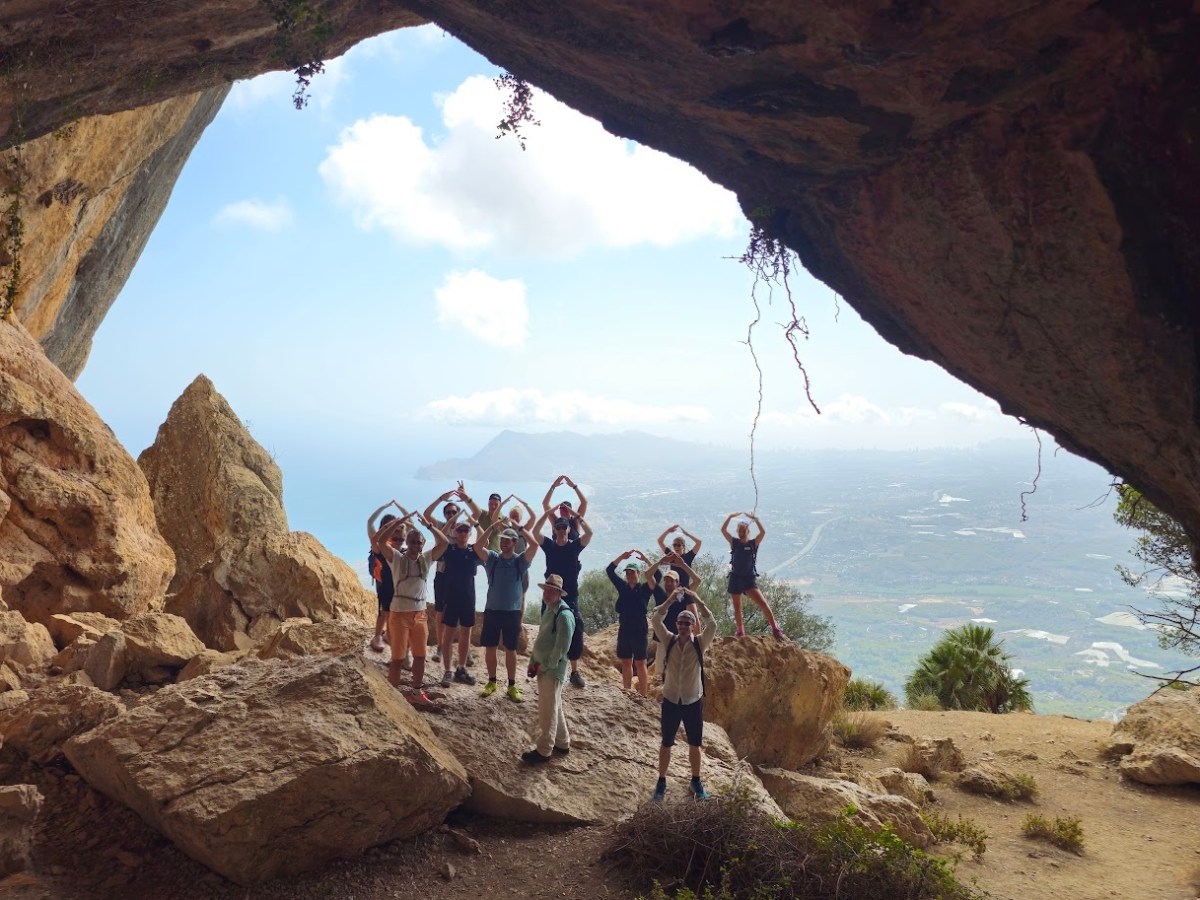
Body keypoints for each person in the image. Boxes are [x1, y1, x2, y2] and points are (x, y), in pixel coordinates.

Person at [371, 513, 448, 703]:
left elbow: (445, 542)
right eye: (412, 542)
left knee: (420, 656)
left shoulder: (426, 559)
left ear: (422, 544)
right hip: (399, 614)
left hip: (419, 614)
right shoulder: (396, 558)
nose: (415, 546)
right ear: (407, 542)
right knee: (397, 658)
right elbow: (380, 541)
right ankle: (393, 697)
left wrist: (429, 526)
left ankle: (416, 692)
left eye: (418, 543)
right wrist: (397, 523)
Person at [651, 586, 717, 801]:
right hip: (671, 699)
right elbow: (655, 620)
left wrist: (697, 600)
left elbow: (713, 624)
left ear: (693, 625)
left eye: (688, 623)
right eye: (680, 623)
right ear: (676, 624)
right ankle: (661, 782)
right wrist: (670, 599)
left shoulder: (700, 643)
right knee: (666, 742)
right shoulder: (668, 639)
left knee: (695, 744)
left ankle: (696, 781)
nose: (683, 627)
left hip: (692, 700)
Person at [534, 484, 593, 687]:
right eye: (557, 527)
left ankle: (574, 671)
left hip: (570, 592)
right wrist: (549, 511)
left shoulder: (574, 546)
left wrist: (576, 514)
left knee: (575, 628)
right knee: (547, 626)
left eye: (563, 527)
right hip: (551, 591)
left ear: (568, 528)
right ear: (554, 529)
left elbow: (590, 533)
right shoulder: (550, 546)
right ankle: (543, 663)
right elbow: (534, 530)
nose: (560, 530)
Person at [475, 519, 539, 701]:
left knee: (511, 649)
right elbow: (478, 546)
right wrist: (492, 527)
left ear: (514, 542)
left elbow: (534, 545)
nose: (504, 543)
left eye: (508, 540)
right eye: (502, 540)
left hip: (511, 612)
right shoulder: (493, 559)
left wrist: (520, 529)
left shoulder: (521, 561)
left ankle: (511, 685)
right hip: (493, 610)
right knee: (490, 648)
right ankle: (492, 681)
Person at [521, 573, 575, 763]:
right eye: (546, 589)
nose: (547, 593)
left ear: (559, 593)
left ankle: (544, 750)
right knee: (554, 706)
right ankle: (562, 741)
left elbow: (562, 647)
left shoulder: (564, 615)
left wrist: (545, 665)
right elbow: (543, 639)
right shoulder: (549, 610)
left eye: (551, 590)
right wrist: (533, 663)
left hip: (552, 670)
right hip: (543, 666)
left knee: (547, 710)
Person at [720, 512, 784, 640]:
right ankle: (740, 632)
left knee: (763, 603)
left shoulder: (753, 544)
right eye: (739, 530)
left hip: (749, 579)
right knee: (737, 607)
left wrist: (756, 520)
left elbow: (763, 533)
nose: (741, 532)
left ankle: (775, 629)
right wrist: (730, 517)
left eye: (743, 530)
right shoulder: (735, 542)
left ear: (748, 531)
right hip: (736, 578)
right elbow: (723, 530)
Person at [436, 519, 481, 688]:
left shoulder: (474, 550)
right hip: (451, 597)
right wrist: (450, 526)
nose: (462, 533)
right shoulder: (448, 549)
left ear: (469, 534)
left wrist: (475, 523)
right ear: (454, 532)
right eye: (459, 530)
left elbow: (487, 540)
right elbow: (441, 539)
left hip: (468, 597)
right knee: (448, 633)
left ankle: (461, 669)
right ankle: (447, 670)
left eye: (465, 530)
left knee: (466, 633)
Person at [424, 491, 464, 664]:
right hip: (442, 574)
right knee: (440, 612)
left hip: (459, 577)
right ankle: (440, 647)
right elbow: (426, 515)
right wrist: (441, 498)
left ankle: (462, 649)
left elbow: (478, 517)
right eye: (448, 512)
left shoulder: (463, 530)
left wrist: (467, 499)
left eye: (454, 512)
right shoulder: (440, 526)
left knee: (460, 614)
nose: (451, 515)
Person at [607, 550, 654, 696]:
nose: (630, 575)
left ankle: (643, 695)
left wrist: (646, 559)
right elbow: (610, 570)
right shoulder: (623, 588)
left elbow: (657, 574)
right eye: (627, 573)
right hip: (625, 628)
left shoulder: (645, 589)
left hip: (640, 630)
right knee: (626, 661)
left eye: (632, 572)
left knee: (640, 662)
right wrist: (621, 557)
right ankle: (627, 692)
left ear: (638, 574)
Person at [366, 501, 408, 654]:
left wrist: (401, 512)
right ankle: (378, 635)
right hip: (383, 580)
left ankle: (388, 636)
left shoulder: (400, 546)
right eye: (389, 526)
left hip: (396, 582)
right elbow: (370, 522)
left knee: (392, 610)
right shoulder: (380, 545)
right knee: (385, 610)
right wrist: (383, 507)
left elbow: (407, 524)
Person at [542, 475, 588, 541]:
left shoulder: (576, 521)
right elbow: (545, 504)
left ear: (570, 510)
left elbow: (584, 502)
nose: (563, 510)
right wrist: (553, 486)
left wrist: (574, 486)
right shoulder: (556, 521)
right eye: (561, 508)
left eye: (565, 508)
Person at [656, 525, 702, 589]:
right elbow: (660, 541)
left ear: (683, 546)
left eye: (678, 545)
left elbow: (699, 543)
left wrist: (687, 534)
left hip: (685, 590)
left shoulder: (688, 557)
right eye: (674, 545)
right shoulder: (671, 555)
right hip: (673, 589)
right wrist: (668, 531)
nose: (676, 547)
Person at [462, 484, 504, 552]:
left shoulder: (504, 519)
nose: (493, 506)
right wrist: (465, 497)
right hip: (480, 552)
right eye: (490, 504)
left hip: (495, 554)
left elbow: (496, 524)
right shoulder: (483, 514)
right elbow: (475, 509)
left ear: (500, 506)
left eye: (496, 504)